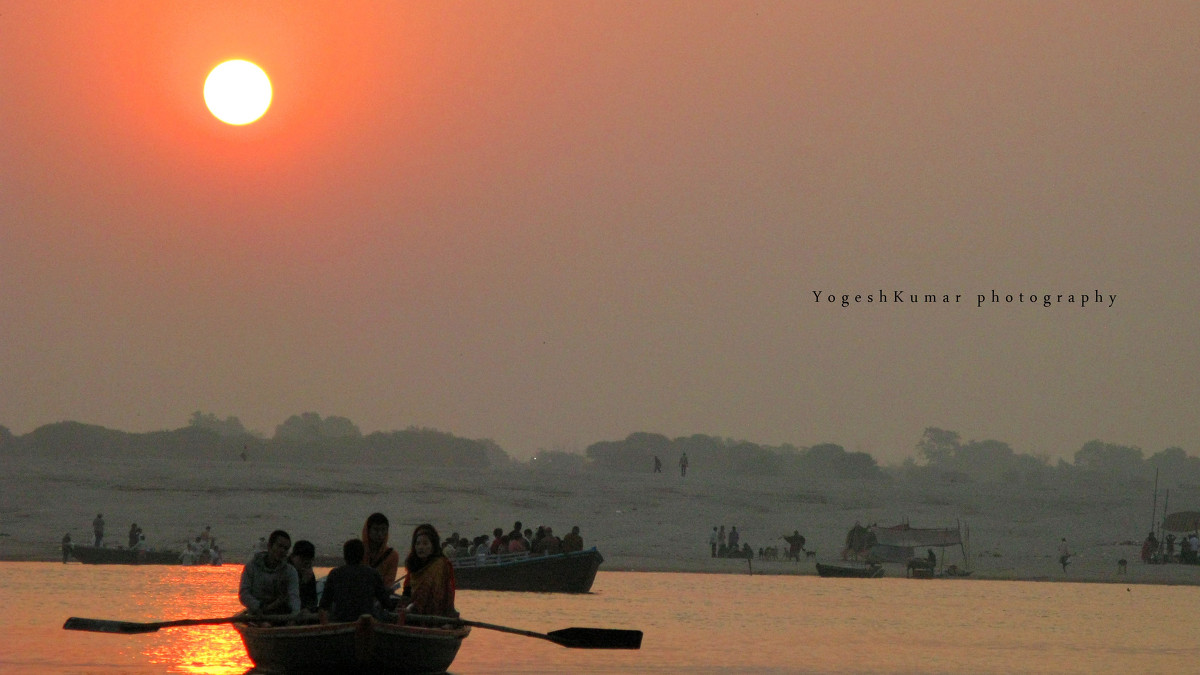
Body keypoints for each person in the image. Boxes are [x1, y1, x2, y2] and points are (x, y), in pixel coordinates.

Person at [319, 539, 392, 624]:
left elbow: (324, 604)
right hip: (367, 622)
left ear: (345, 556)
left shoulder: (335, 573)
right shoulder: (372, 573)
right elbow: (387, 603)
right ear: (363, 555)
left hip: (340, 620)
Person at [398, 524, 457, 617]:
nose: (421, 547)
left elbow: (448, 593)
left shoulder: (441, 564)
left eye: (425, 543)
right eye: (418, 544)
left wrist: (414, 606)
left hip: (437, 612)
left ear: (433, 546)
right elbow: (407, 591)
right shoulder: (413, 563)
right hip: (412, 610)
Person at [239, 529, 300, 615]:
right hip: (257, 614)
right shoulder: (252, 567)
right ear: (269, 546)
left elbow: (294, 596)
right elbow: (244, 594)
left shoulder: (290, 571)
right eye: (279, 546)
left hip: (281, 614)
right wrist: (260, 607)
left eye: (286, 548)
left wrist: (295, 615)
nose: (282, 550)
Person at [361, 512, 400, 587]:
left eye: (383, 530)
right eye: (376, 529)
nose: (380, 534)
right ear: (368, 530)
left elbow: (388, 583)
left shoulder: (392, 555)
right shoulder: (358, 550)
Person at [290, 540, 318, 612]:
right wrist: (303, 583)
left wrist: (308, 609)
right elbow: (290, 596)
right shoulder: (286, 570)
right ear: (293, 557)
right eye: (302, 560)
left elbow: (313, 600)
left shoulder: (308, 573)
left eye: (309, 561)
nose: (305, 564)